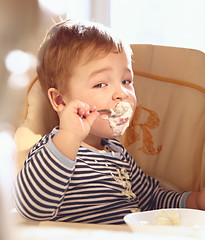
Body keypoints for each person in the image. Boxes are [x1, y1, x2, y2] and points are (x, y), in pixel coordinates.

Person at [13, 19, 205, 224]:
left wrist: (193, 201)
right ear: (60, 100)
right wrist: (69, 135)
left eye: (126, 81)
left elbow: (150, 201)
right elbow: (30, 206)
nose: (121, 93)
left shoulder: (118, 153)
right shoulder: (55, 150)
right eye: (100, 84)